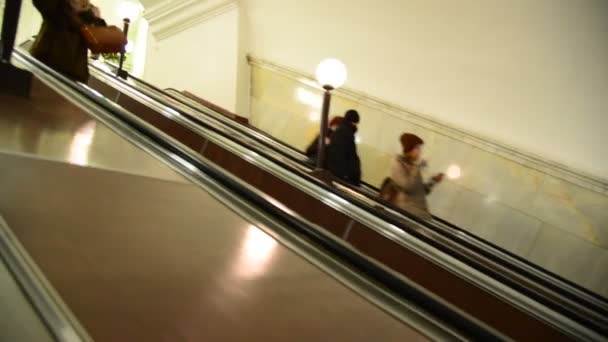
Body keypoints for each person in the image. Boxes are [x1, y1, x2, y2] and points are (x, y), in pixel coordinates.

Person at [31, 0, 106, 82]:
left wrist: (97, 19)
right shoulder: (57, 6)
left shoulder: (89, 13)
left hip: (74, 75)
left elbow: (101, 44)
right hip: (47, 67)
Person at [380, 133, 443, 220]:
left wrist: (433, 181)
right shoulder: (398, 164)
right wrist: (418, 167)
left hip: (418, 214)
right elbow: (407, 186)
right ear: (409, 149)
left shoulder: (413, 166)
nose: (419, 152)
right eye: (417, 148)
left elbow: (419, 191)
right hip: (406, 214)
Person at [326, 109, 361, 186]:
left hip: (337, 175)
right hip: (339, 177)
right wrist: (344, 177)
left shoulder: (342, 131)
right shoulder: (345, 133)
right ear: (354, 122)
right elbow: (341, 156)